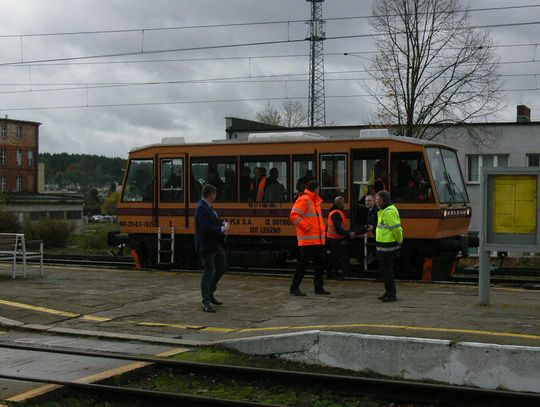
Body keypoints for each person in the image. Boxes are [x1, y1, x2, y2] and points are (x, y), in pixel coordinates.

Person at [289, 180, 329, 296]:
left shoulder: (314, 201)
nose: (320, 191)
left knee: (320, 264)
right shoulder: (305, 199)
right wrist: (306, 227)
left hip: (317, 240)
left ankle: (318, 287)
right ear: (315, 189)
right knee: (303, 265)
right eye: (319, 189)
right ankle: (294, 287)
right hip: (308, 240)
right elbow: (294, 215)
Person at [194, 184, 230, 313]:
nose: (216, 196)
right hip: (207, 245)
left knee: (222, 266)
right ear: (209, 195)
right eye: (214, 194)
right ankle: (206, 301)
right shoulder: (201, 208)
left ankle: (210, 292)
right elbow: (205, 227)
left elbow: (213, 222)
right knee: (209, 271)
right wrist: (221, 229)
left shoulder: (209, 208)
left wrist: (223, 225)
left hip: (215, 244)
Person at [375, 190, 403, 302]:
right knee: (385, 271)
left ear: (382, 200)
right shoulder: (384, 210)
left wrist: (399, 240)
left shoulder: (388, 211)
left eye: (377, 199)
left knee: (387, 271)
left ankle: (392, 294)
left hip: (388, 246)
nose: (376, 201)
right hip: (383, 246)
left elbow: (396, 228)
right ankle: (388, 292)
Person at [326, 196, 356, 279]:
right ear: (340, 204)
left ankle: (331, 273)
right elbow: (339, 228)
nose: (344, 204)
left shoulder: (335, 212)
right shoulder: (336, 213)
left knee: (333, 257)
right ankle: (333, 274)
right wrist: (348, 233)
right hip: (334, 239)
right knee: (334, 257)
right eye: (343, 203)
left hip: (332, 238)